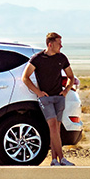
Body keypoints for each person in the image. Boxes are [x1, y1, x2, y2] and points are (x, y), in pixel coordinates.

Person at [22, 32, 76, 166]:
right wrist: (38, 92)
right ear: (50, 44)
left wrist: (65, 91)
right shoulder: (37, 59)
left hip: (59, 97)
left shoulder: (62, 58)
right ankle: (62, 158)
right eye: (59, 43)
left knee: (56, 128)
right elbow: (25, 77)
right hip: (46, 99)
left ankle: (54, 160)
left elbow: (71, 76)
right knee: (52, 126)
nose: (61, 46)